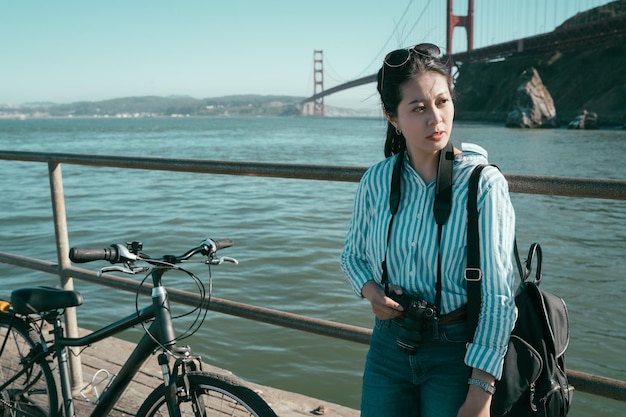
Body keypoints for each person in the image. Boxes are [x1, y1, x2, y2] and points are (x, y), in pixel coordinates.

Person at [340, 43, 517, 417]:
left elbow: (499, 297)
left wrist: (481, 392)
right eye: (418, 108)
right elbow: (352, 255)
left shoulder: (482, 184)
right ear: (392, 117)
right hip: (389, 345)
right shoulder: (376, 181)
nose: (435, 119)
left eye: (442, 102)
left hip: (457, 351)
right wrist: (372, 292)